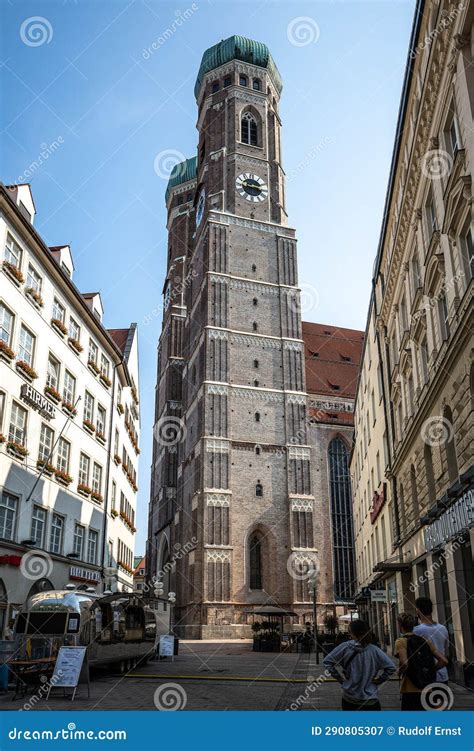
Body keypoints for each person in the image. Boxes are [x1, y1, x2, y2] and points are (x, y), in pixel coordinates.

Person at [323, 619, 396, 710]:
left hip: (349, 699)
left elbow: (327, 662)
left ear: (352, 633)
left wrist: (340, 679)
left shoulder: (345, 647)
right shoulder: (374, 650)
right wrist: (380, 680)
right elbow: (392, 667)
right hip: (370, 700)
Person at [395, 612, 448, 710]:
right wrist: (431, 670)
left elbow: (405, 663)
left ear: (400, 625)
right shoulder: (425, 640)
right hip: (427, 688)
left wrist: (399, 671)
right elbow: (444, 661)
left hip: (410, 690)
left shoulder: (401, 641)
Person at [414, 597, 449, 684]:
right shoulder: (443, 628)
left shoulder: (416, 631)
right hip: (443, 676)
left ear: (418, 611)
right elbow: (446, 651)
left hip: (425, 677)